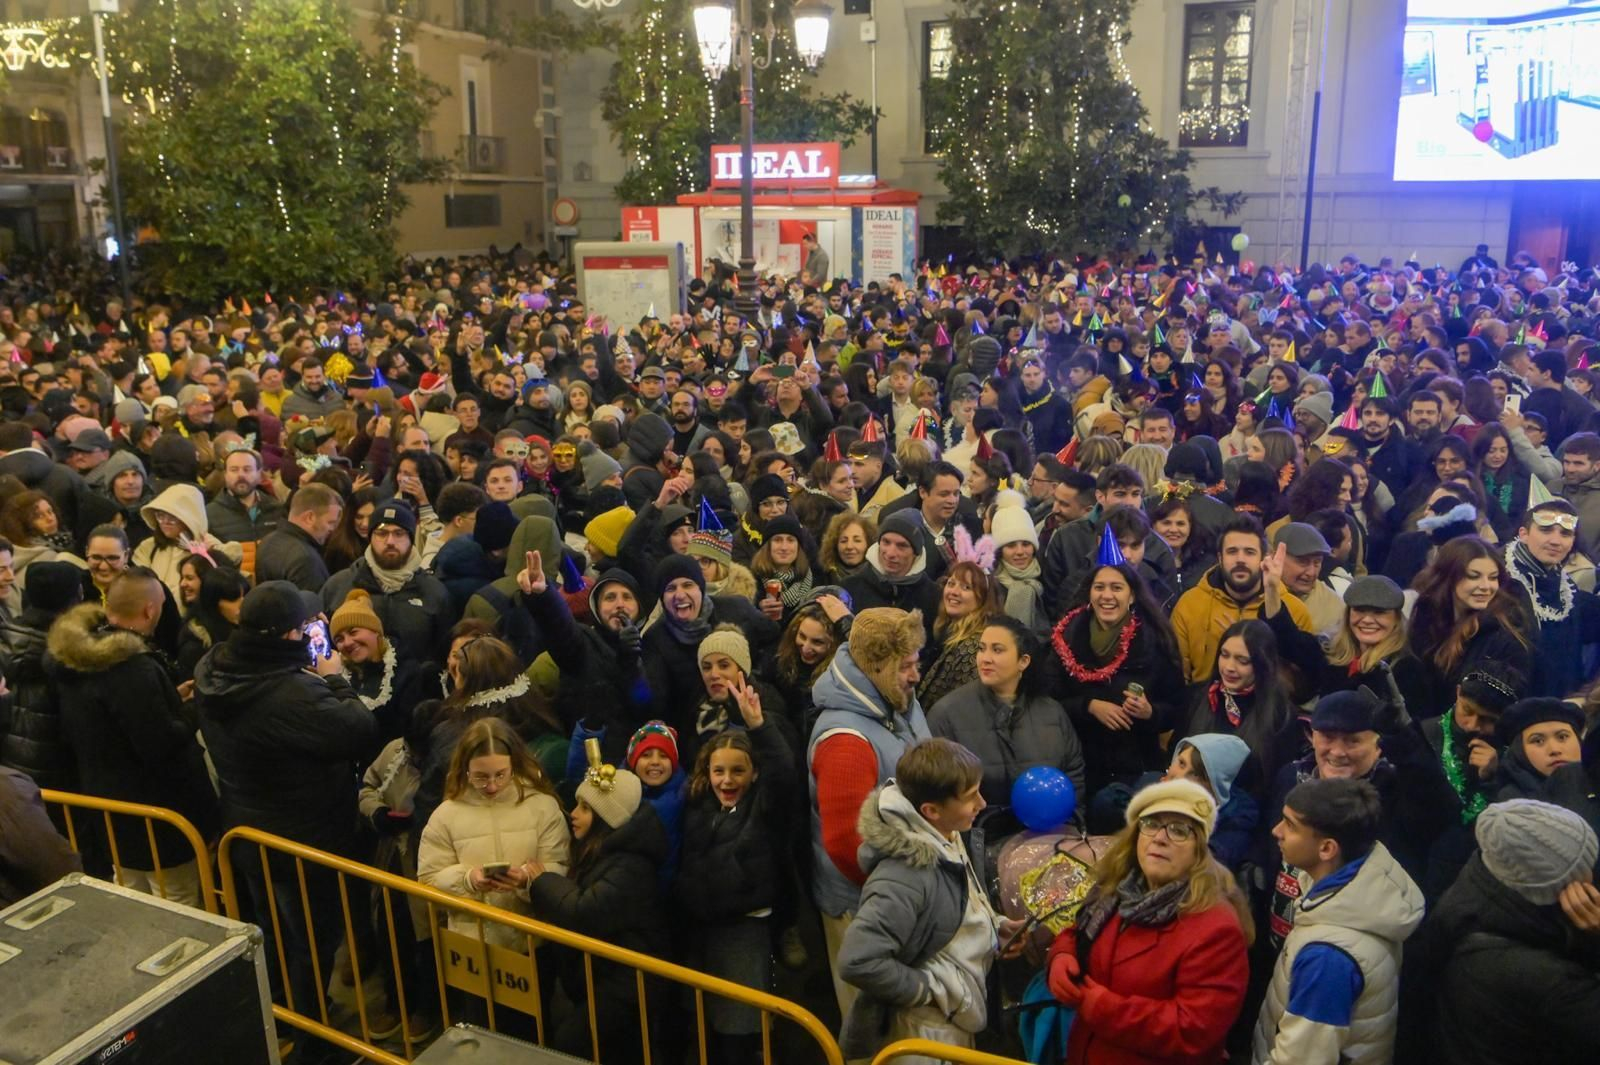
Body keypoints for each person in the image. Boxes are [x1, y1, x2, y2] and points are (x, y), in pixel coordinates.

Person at [194, 580, 378, 1063]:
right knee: (311, 945)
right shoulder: (290, 693)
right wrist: (334, 679)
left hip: (249, 833)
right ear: (289, 635)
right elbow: (357, 730)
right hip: (304, 842)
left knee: (274, 936)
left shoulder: (213, 668)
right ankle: (315, 1042)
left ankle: (281, 1018)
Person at [837, 739, 1023, 1062]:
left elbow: (955, 907)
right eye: (970, 797)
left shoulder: (945, 833)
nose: (982, 803)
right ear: (931, 811)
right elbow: (858, 961)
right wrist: (930, 989)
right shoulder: (903, 876)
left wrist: (995, 926)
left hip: (951, 1020)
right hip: (923, 1035)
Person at [1046, 779, 1252, 1065]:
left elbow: (1193, 1030)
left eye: (1179, 830)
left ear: (1199, 850)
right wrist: (1062, 954)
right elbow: (1078, 932)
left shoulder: (1216, 929)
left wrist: (1103, 1008)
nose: (1160, 837)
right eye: (1151, 824)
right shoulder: (1116, 891)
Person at [50, 567, 217, 905]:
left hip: (111, 816)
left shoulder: (75, 659)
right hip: (159, 822)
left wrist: (169, 697)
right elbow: (161, 745)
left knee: (129, 902)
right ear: (150, 610)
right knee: (178, 909)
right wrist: (193, 708)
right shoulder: (131, 667)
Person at [1403, 799, 1600, 1065]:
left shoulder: (1475, 890)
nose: (1592, 875)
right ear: (1558, 889)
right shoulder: (1542, 978)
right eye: (1585, 869)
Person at [806, 606, 932, 1018]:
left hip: (900, 894)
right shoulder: (846, 740)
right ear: (878, 666)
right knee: (877, 1033)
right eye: (907, 665)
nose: (915, 675)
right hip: (866, 905)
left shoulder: (895, 699)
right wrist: (906, 892)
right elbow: (847, 846)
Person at [1253, 778, 1424, 1065]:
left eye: (1290, 826)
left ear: (1327, 849)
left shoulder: (1327, 958)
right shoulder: (1367, 880)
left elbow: (1301, 1059)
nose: (1276, 831)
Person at [674, 687, 795, 1061]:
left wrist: (758, 725)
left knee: (739, 1027)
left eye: (738, 771)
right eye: (719, 771)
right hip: (703, 932)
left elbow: (784, 773)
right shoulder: (697, 806)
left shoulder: (764, 809)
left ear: (755, 773)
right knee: (706, 1023)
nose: (727, 780)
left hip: (744, 933)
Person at [524, 756, 669, 1065]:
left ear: (607, 817)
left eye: (586, 808)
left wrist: (541, 880)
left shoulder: (632, 864)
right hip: (608, 977)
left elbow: (583, 912)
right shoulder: (605, 851)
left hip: (628, 982)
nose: (573, 814)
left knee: (572, 1042)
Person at [1041, 557, 1185, 807]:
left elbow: (1177, 707)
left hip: (1135, 767)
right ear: (1089, 593)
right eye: (1099, 587)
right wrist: (1088, 706)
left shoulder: (1155, 641)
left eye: (1116, 588)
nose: (1107, 595)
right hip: (1079, 765)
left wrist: (1150, 712)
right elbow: (1047, 699)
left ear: (1132, 596)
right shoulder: (1066, 636)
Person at [417, 717, 570, 946]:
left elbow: (561, 867)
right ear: (465, 770)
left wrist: (529, 880)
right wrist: (468, 880)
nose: (492, 786)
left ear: (514, 765)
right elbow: (427, 881)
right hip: (472, 944)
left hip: (532, 941)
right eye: (480, 777)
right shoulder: (445, 816)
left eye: (500, 774)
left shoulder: (543, 807)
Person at [928, 615, 1086, 805]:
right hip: (981, 828)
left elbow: (1073, 775)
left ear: (1023, 661)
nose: (985, 659)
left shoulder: (1052, 712)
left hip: (1051, 829)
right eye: (981, 649)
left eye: (997, 650)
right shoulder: (947, 713)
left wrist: (1068, 820)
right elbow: (939, 788)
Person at [1170, 515, 1319, 685]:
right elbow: (1177, 677)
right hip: (1205, 705)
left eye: (1249, 552)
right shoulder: (1189, 604)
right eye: (1232, 551)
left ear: (1263, 558)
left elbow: (1303, 682)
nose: (1240, 559)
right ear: (1220, 558)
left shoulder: (1293, 609)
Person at [1172, 619, 1296, 799]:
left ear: (1262, 664)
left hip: (1245, 814)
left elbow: (1275, 787)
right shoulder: (1197, 696)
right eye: (1224, 655)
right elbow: (1175, 754)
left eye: (1242, 661)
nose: (1229, 667)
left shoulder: (1281, 715)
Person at [319, 499, 452, 660]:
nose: (390, 541)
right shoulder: (339, 585)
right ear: (370, 538)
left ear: (411, 538)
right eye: (381, 533)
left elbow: (443, 653)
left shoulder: (433, 592)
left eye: (399, 533)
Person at [1408, 536, 1534, 698]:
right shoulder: (1426, 616)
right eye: (1473, 576)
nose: (1486, 587)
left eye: (1493, 577)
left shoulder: (1505, 632)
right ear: (1448, 576)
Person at [1502, 499, 1600, 698]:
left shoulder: (1566, 587)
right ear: (1523, 534)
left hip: (1559, 707)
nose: (1556, 541)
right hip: (1510, 707)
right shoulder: (1498, 580)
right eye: (1546, 530)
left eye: (1565, 533)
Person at [1491, 697, 1600, 847]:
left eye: (1562, 737)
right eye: (1538, 741)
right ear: (1519, 751)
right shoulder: (1510, 807)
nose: (1554, 750)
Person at [1163, 734, 1257, 873]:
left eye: (1195, 774)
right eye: (1181, 763)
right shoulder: (1150, 789)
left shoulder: (1235, 822)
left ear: (1216, 785)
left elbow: (1202, 867)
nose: (1179, 777)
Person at [841, 509, 940, 636]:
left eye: (902, 546)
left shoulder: (933, 598)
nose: (891, 553)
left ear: (916, 552)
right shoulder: (849, 588)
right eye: (886, 542)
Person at [918, 561, 1001, 710]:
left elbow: (962, 708)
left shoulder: (975, 646)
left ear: (983, 598)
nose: (954, 592)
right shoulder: (947, 631)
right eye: (951, 584)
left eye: (966, 587)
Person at [254, 482, 343, 591]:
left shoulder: (267, 541)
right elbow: (314, 605)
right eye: (330, 522)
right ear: (309, 517)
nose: (332, 529)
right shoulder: (306, 560)